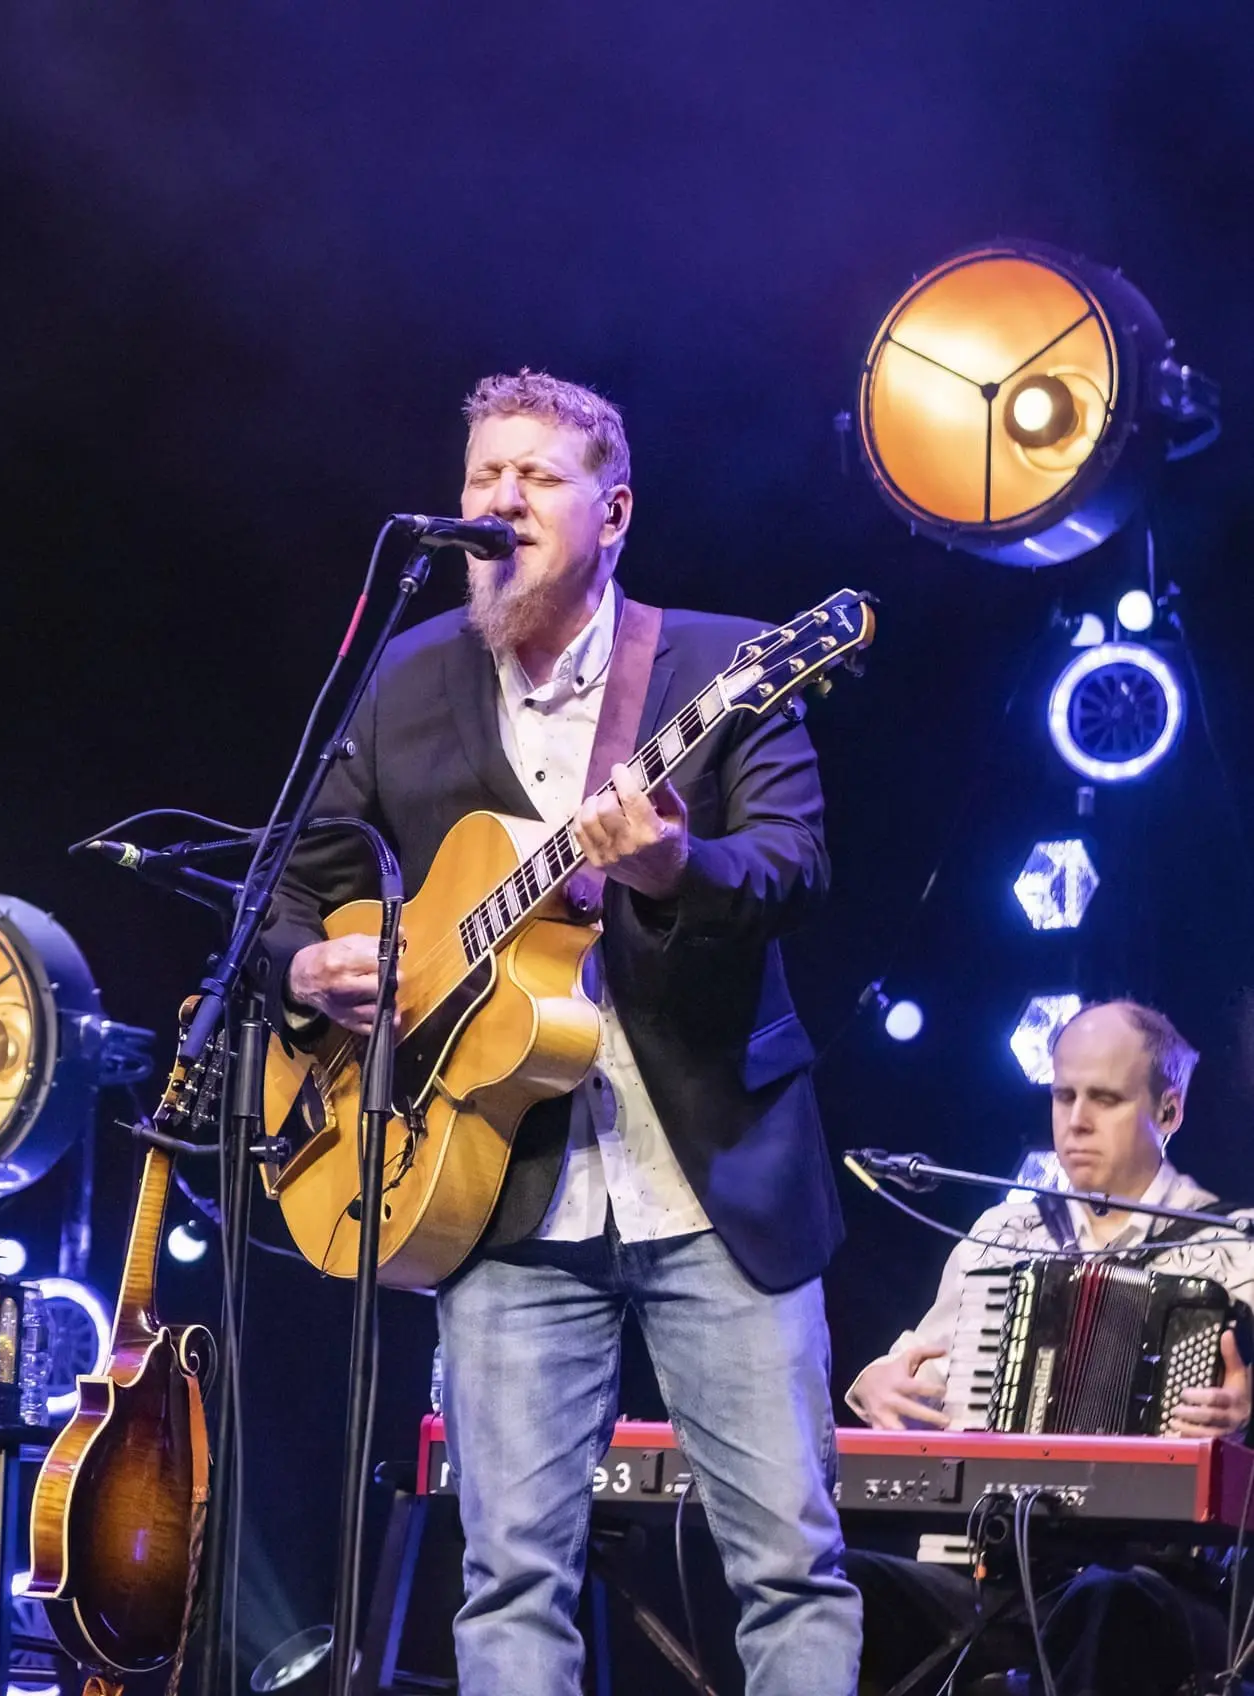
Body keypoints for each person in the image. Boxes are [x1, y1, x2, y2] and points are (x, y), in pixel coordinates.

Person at [264, 370, 860, 1694]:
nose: (496, 499)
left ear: (614, 508)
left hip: (714, 1186)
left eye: (533, 476)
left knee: (785, 1571)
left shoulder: (720, 665)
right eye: (481, 475)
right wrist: (312, 965)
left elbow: (791, 868)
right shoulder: (408, 682)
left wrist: (668, 869)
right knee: (509, 1583)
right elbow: (278, 891)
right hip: (492, 1188)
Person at [845, 999, 1251, 1695]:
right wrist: (878, 1381)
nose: (1077, 1120)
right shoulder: (1001, 1233)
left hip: (1161, 1586)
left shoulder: (1231, 1250)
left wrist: (1245, 1415)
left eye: (1106, 1098)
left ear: (1170, 1111)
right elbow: (910, 1373)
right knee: (835, 1582)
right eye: (1064, 1095)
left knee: (1109, 1596)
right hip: (983, 1577)